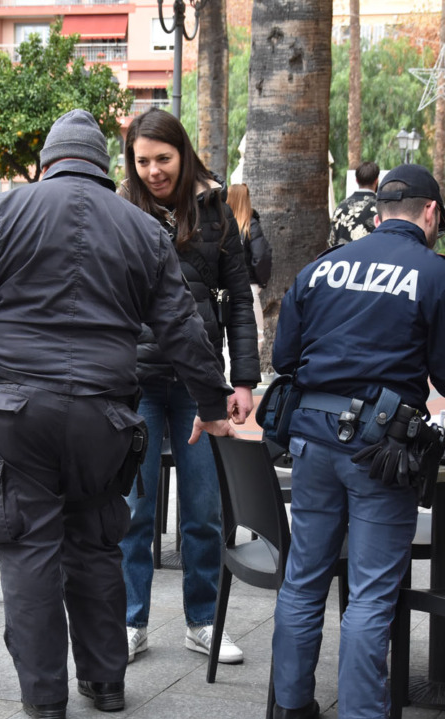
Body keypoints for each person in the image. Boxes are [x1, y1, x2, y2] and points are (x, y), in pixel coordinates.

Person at [0, 109, 235, 719]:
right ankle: (105, 681)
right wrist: (211, 406)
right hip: (105, 414)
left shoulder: (4, 212)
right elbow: (183, 328)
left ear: (46, 161)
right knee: (96, 542)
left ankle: (45, 698)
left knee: (30, 547)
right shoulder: (142, 227)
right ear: (102, 164)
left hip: (17, 409)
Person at [271, 164, 445, 719]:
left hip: (310, 438)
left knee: (304, 575)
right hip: (379, 448)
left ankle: (290, 707)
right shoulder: (438, 275)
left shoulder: (320, 268)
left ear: (379, 210)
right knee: (371, 589)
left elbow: (285, 356)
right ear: (431, 214)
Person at [117, 109, 260, 665]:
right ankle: (132, 621)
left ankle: (203, 621)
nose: (154, 170)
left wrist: (243, 380)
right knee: (135, 507)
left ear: (183, 154)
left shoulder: (216, 212)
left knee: (204, 510)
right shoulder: (121, 210)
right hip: (139, 382)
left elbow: (242, 301)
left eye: (163, 159)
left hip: (201, 385)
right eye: (143, 160)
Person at [226, 183, 273, 289]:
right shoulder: (251, 225)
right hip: (247, 285)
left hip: (224, 287)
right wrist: (262, 281)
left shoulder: (220, 226)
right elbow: (261, 256)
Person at [328, 160, 380, 248]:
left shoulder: (341, 207)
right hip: (369, 260)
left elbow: (331, 240)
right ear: (376, 180)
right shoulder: (380, 208)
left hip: (342, 259)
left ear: (356, 180)